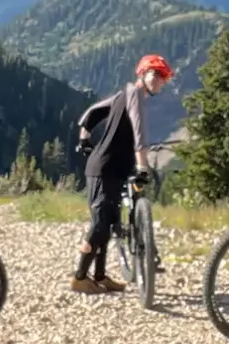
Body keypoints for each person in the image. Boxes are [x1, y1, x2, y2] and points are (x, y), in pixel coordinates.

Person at [73, 53, 174, 292]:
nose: (160, 80)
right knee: (99, 224)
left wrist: (84, 138)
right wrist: (142, 167)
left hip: (114, 169)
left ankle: (99, 276)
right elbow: (139, 135)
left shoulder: (123, 94)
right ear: (142, 73)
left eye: (164, 77)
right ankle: (79, 277)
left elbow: (94, 112)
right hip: (104, 168)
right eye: (156, 74)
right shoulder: (136, 94)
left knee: (108, 224)